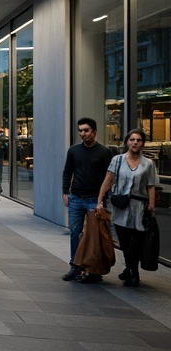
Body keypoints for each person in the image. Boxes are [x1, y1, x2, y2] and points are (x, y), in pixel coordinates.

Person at [95, 129, 158, 287]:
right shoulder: (117, 160)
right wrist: (100, 200)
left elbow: (151, 186)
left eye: (138, 140)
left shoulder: (148, 164)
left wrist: (151, 205)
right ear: (127, 142)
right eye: (132, 140)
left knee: (135, 241)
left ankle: (133, 272)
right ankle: (130, 268)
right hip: (121, 206)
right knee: (123, 240)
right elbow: (108, 180)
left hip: (139, 207)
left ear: (142, 143)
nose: (135, 142)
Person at [61, 117, 113, 282]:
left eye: (86, 130)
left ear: (94, 131)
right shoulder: (74, 151)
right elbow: (67, 171)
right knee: (75, 232)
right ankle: (75, 266)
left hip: (94, 199)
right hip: (76, 197)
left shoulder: (104, 152)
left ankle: (92, 268)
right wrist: (65, 192)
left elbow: (109, 178)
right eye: (80, 130)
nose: (82, 133)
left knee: (94, 235)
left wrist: (102, 200)